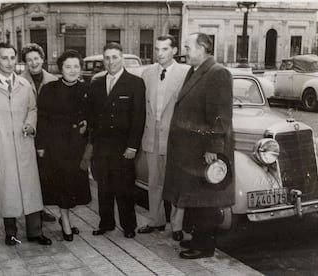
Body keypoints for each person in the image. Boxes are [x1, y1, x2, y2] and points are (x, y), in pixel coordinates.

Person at [163, 32, 234, 259]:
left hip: (205, 149)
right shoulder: (196, 71)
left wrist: (213, 147)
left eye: (188, 47)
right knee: (195, 199)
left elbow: (220, 116)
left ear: (203, 47)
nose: (185, 51)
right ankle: (197, 239)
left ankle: (205, 247)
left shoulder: (217, 73)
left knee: (206, 201)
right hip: (190, 149)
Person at [0, 42, 51, 246]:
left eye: (12, 58)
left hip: (24, 143)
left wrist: (29, 125)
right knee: (7, 189)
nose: (9, 62)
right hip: (1, 146)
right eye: (4, 58)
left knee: (30, 188)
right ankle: (11, 232)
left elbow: (32, 110)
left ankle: (35, 232)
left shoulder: (25, 85)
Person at [88, 42, 145, 239]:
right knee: (103, 188)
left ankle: (128, 226)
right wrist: (93, 143)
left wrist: (132, 146)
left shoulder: (135, 83)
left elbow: (139, 117)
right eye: (107, 57)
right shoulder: (96, 84)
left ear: (122, 58)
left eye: (114, 57)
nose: (110, 61)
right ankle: (106, 223)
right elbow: (93, 117)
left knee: (125, 189)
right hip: (102, 147)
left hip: (123, 147)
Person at [36, 50, 91, 242]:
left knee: (72, 186)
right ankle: (66, 222)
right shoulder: (50, 89)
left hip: (76, 146)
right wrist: (40, 145)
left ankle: (65, 218)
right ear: (61, 68)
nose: (73, 70)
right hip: (55, 145)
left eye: (76, 66)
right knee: (61, 185)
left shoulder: (86, 89)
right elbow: (41, 119)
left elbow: (91, 116)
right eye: (68, 66)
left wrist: (87, 125)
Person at [138, 35, 188, 241]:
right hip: (152, 134)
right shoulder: (147, 73)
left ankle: (177, 225)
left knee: (176, 182)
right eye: (157, 49)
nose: (159, 53)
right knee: (154, 181)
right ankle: (155, 220)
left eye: (165, 49)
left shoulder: (185, 73)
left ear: (174, 51)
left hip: (175, 136)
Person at [21, 43, 58, 223]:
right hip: (28, 134)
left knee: (45, 173)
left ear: (42, 59)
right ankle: (32, 210)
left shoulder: (53, 80)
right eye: (29, 60)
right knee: (30, 174)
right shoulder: (19, 81)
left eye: (36, 59)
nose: (33, 63)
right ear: (25, 63)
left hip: (48, 135)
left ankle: (41, 208)